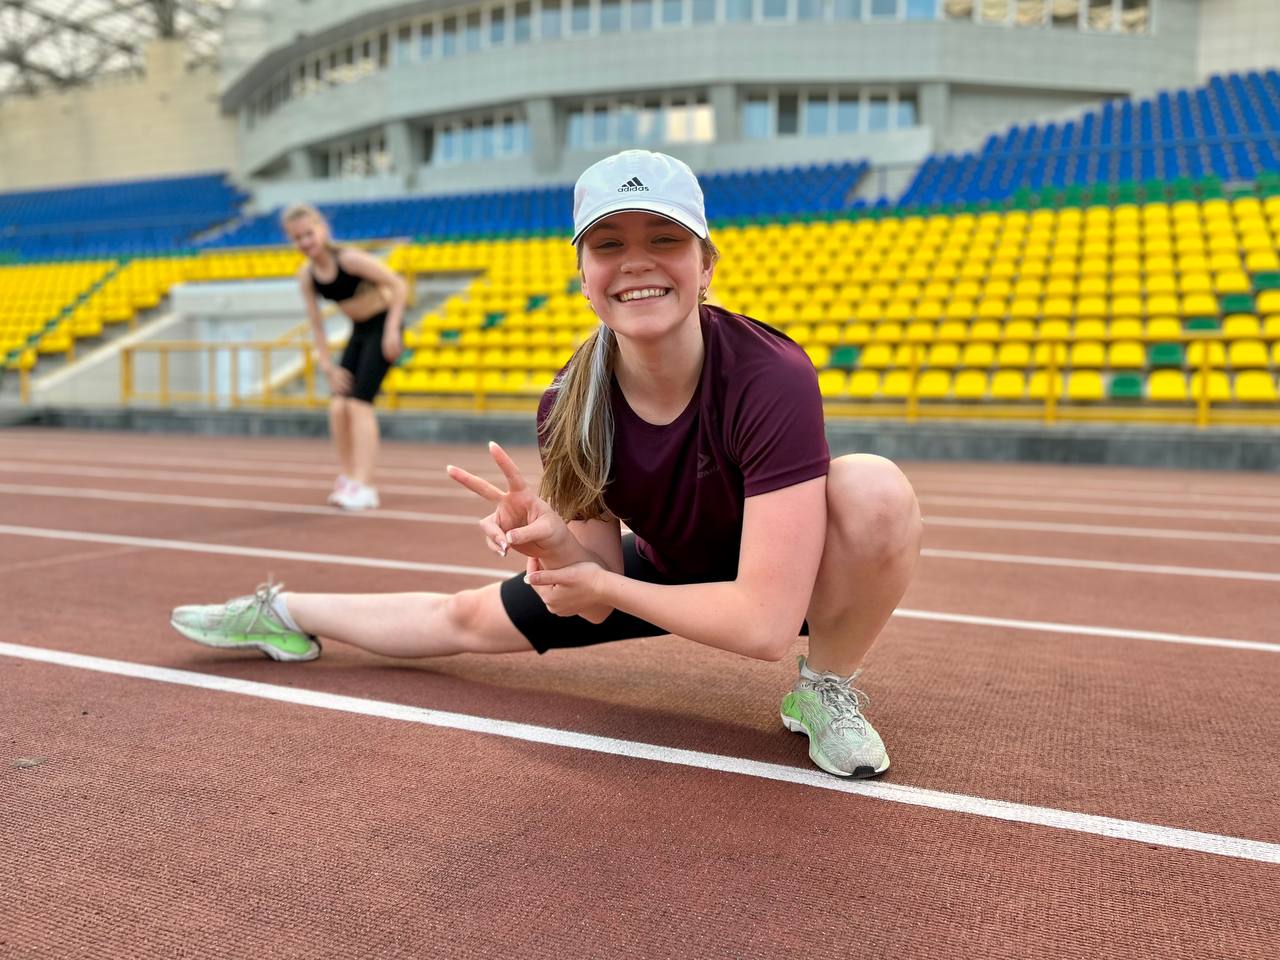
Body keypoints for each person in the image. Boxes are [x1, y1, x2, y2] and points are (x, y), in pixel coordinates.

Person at [171, 151, 922, 778]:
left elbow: (762, 624)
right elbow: (593, 601)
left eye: (664, 238)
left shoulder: (768, 373)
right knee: (462, 615)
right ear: (584, 274)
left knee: (874, 490)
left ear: (706, 262)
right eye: (608, 245)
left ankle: (823, 687)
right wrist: (559, 550)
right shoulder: (571, 401)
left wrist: (602, 582)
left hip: (783, 569)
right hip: (661, 567)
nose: (637, 263)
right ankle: (284, 610)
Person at [283, 203, 407, 510]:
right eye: (298, 238)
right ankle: (350, 476)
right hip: (360, 330)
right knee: (338, 405)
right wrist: (326, 365)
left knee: (358, 404)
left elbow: (398, 285)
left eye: (309, 234)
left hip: (382, 326)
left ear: (322, 230)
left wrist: (393, 330)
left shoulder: (349, 259)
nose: (306, 242)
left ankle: (366, 486)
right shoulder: (307, 276)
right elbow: (317, 325)